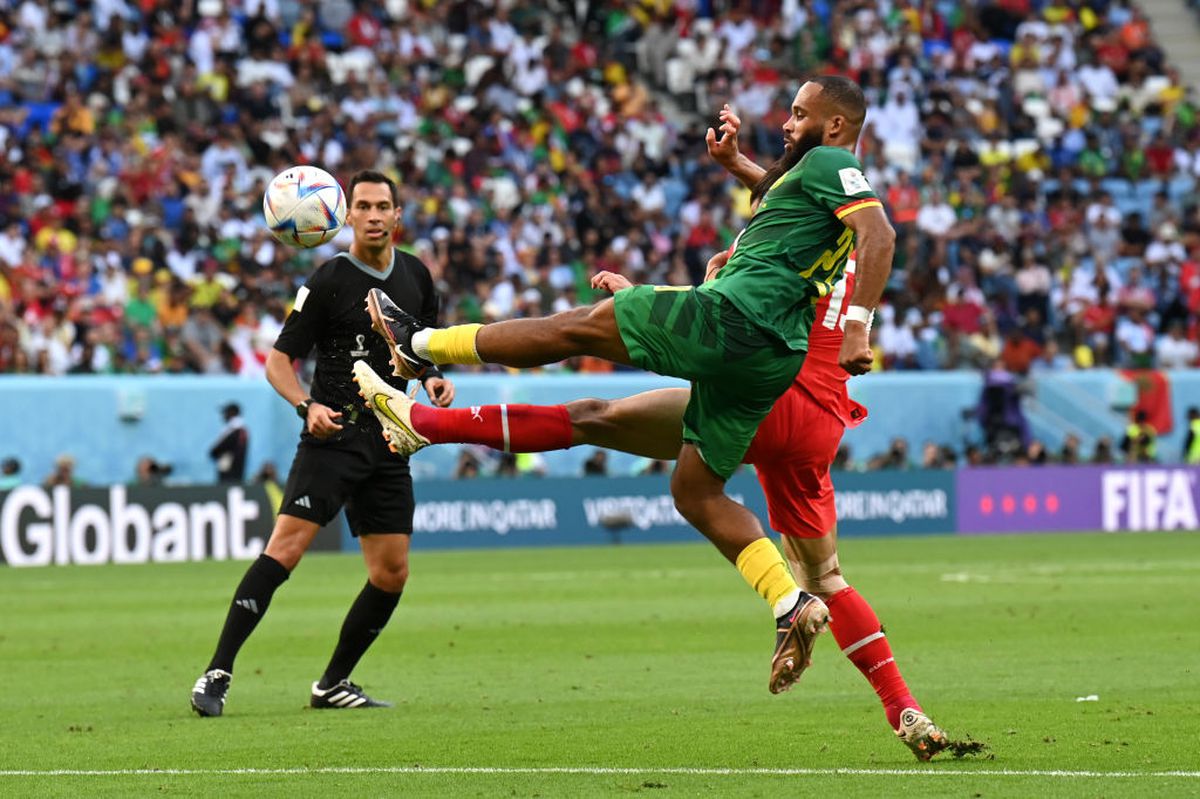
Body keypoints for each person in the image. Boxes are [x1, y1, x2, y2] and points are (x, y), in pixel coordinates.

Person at [357, 102, 949, 760]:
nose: (786, 122)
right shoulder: (809, 227)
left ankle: (420, 358)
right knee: (819, 568)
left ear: (834, 124)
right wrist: (740, 166)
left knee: (594, 404)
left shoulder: (805, 208)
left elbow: (819, 243)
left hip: (769, 377)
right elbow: (789, 195)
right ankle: (902, 705)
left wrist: (852, 321)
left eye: (800, 111)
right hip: (815, 417)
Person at [189, 170, 456, 718]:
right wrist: (304, 407)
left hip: (390, 440)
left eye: (384, 206)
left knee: (391, 573)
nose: (375, 215)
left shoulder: (417, 276)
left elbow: (419, 343)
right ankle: (216, 673)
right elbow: (278, 361)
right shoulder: (329, 280)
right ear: (346, 216)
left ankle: (333, 683)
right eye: (364, 206)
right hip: (332, 437)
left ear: (398, 215)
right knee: (284, 550)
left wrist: (432, 376)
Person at [209, 401, 249, 484]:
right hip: (232, 471)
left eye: (226, 412)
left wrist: (214, 452)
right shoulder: (236, 430)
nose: (224, 415)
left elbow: (221, 447)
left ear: (232, 413)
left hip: (230, 472)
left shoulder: (236, 430)